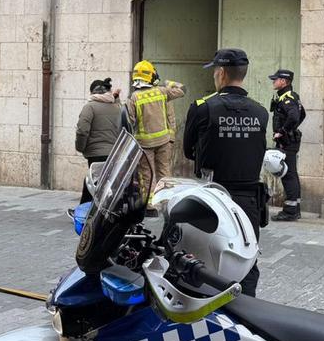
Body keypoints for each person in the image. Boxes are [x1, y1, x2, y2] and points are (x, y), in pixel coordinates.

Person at [183, 48, 269, 296]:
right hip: (249, 200)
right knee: (247, 259)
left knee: (205, 258)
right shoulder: (260, 112)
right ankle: (247, 313)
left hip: (214, 198)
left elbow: (189, 151)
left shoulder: (202, 108)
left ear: (220, 73)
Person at [125, 60, 184, 203]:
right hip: (163, 141)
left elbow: (129, 122)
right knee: (164, 172)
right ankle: (165, 201)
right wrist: (168, 82)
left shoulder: (134, 98)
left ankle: (150, 205)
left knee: (147, 175)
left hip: (144, 144)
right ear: (151, 76)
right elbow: (182, 89)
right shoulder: (162, 91)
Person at [75, 78, 122, 203]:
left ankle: (84, 211)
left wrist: (80, 147)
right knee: (107, 183)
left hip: (95, 154)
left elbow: (82, 130)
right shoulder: (117, 106)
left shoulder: (89, 107)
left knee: (92, 182)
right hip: (113, 153)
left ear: (92, 92)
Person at [268, 68, 305, 221]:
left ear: (283, 81)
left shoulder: (287, 98)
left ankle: (290, 211)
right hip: (289, 141)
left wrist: (282, 131)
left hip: (286, 142)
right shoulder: (288, 96)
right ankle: (294, 208)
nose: (273, 82)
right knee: (291, 174)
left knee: (288, 174)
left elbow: (295, 116)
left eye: (275, 79)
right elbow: (302, 115)